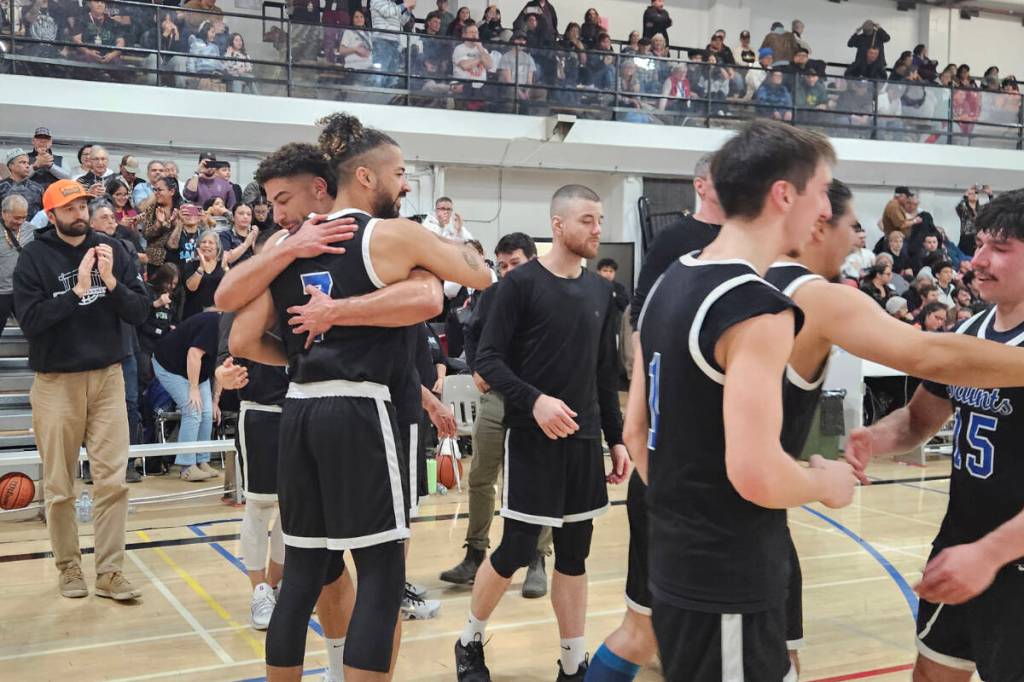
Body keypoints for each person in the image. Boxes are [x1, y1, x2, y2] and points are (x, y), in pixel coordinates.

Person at [219, 113, 492, 680]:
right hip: (362, 409)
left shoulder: (288, 243)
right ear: (366, 177)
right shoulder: (388, 234)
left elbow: (241, 336)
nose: (405, 183)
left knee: (301, 575)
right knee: (382, 576)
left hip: (299, 406)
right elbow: (479, 274)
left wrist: (302, 355)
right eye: (399, 173)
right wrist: (433, 256)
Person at [632, 120, 854, 681]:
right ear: (784, 195)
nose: (825, 209)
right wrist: (826, 483)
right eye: (822, 191)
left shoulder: (669, 281)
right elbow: (756, 475)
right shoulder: (758, 308)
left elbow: (636, 434)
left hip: (676, 564)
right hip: (728, 580)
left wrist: (689, 518)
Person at [845, 193, 1024, 680]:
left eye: (1000, 248)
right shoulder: (969, 332)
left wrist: (990, 554)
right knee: (931, 673)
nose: (979, 260)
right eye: (979, 244)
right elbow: (917, 420)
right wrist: (875, 437)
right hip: (960, 546)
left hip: (1009, 557)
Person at [455, 185, 629, 681]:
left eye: (600, 220)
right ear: (558, 225)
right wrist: (535, 401)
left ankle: (573, 662)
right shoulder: (519, 285)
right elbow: (488, 360)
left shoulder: (602, 292)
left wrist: (615, 438)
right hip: (532, 438)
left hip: (584, 441)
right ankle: (468, 641)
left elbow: (604, 374)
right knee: (515, 548)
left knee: (574, 555)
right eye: (588, 220)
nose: (598, 230)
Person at [13, 179, 149, 601]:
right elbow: (31, 322)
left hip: (108, 377)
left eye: (84, 206)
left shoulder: (114, 249)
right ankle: (68, 566)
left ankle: (110, 572)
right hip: (56, 382)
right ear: (52, 215)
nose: (80, 214)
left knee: (113, 482)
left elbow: (140, 311)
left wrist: (109, 281)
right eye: (70, 208)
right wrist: (77, 290)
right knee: (59, 487)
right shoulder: (34, 257)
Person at [440, 233, 553, 595]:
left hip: (535, 400)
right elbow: (472, 334)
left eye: (515, 264)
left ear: (533, 260)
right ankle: (475, 554)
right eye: (502, 265)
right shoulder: (491, 295)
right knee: (480, 476)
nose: (507, 271)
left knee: (535, 479)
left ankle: (537, 558)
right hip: (496, 397)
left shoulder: (550, 295)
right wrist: (476, 368)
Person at [0, 196, 33, 339]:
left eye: (24, 217)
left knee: (34, 330)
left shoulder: (32, 230)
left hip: (23, 291)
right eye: (16, 218)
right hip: (1, 293)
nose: (20, 222)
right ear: (4, 213)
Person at [182, 231, 227, 319]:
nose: (206, 245)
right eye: (203, 242)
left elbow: (230, 288)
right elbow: (191, 288)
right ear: (198, 246)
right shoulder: (191, 265)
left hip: (218, 313)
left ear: (217, 247)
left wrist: (226, 269)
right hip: (194, 314)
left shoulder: (223, 265)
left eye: (211, 243)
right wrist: (201, 267)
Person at [0, 148, 45, 217]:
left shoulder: (38, 188)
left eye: (28, 163)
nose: (27, 166)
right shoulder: (2, 186)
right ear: (11, 165)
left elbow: (44, 213)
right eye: (23, 162)